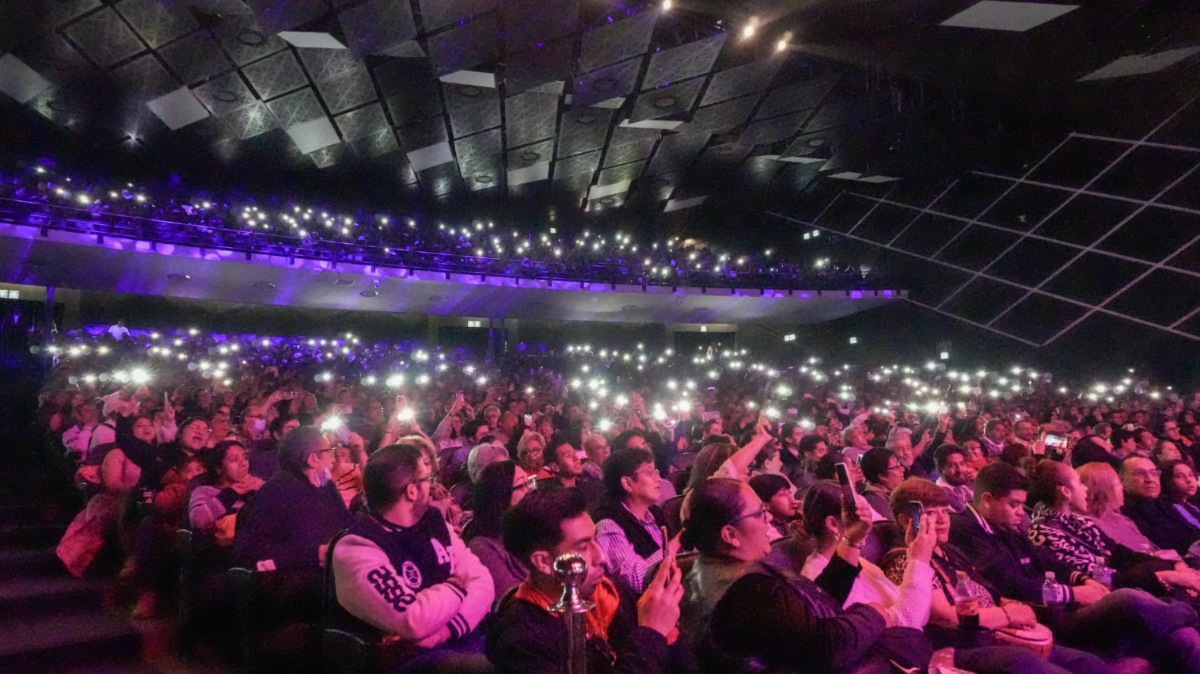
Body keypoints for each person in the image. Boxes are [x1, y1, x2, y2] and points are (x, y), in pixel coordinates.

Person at [950, 462, 1200, 670]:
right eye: (1013, 504)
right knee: (1128, 599)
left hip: (1066, 604)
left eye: (1020, 505)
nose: (1020, 513)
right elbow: (1014, 583)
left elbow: (1049, 561)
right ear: (986, 500)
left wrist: (1082, 580)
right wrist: (1074, 592)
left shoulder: (1009, 525)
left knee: (1183, 639)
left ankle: (1182, 614)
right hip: (1045, 616)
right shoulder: (968, 531)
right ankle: (1191, 613)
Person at [679, 477, 932, 674]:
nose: (768, 520)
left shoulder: (712, 570)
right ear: (730, 535)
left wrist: (851, 541)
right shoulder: (745, 592)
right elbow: (826, 647)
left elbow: (808, 607)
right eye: (759, 513)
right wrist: (874, 613)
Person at [880, 478, 1115, 674]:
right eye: (930, 513)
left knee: (1089, 664)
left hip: (997, 632)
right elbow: (949, 618)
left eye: (945, 511)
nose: (942, 520)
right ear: (906, 520)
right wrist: (1006, 614)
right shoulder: (905, 560)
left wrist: (1007, 603)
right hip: (966, 646)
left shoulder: (948, 549)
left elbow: (983, 587)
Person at [487, 488, 698, 674]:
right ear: (543, 562)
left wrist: (668, 628)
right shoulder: (522, 641)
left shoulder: (611, 592)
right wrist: (652, 633)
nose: (601, 557)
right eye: (583, 546)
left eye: (595, 539)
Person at [330, 443, 494, 664]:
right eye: (427, 479)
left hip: (453, 637)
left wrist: (443, 631)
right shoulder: (357, 547)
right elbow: (413, 618)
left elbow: (483, 583)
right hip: (406, 661)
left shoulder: (434, 522)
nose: (432, 486)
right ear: (411, 491)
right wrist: (455, 587)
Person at [1025, 459, 1199, 599]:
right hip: (1117, 597)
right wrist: (1166, 575)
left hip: (1139, 584)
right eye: (1080, 483)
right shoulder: (1047, 533)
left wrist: (1173, 566)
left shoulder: (1079, 522)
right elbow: (1102, 579)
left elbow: (1122, 554)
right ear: (1065, 491)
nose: (1086, 489)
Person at [233, 426, 352, 573]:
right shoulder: (276, 491)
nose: (334, 458)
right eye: (329, 451)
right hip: (296, 581)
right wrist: (312, 554)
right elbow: (248, 550)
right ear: (313, 459)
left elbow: (347, 523)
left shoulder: (327, 487)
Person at [594, 448, 674, 592]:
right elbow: (637, 579)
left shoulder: (655, 514)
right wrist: (680, 541)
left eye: (656, 471)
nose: (658, 478)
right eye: (650, 473)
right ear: (627, 483)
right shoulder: (609, 525)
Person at [1076, 461, 1181, 560]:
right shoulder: (1090, 527)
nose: (1122, 487)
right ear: (1102, 490)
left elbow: (1155, 550)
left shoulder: (1122, 519)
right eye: (1118, 483)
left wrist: (1177, 563)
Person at [461, 460, 532, 598]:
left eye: (529, 483)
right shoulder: (483, 547)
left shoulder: (529, 527)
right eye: (522, 485)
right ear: (502, 494)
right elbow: (511, 600)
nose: (530, 490)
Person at [188, 439, 264, 548]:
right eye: (233, 460)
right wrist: (231, 493)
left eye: (245, 458)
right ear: (219, 468)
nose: (243, 464)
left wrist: (265, 490)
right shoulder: (204, 491)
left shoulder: (257, 488)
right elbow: (198, 521)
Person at [1120, 456, 1200, 556]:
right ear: (1121, 479)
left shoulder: (1164, 505)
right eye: (1139, 473)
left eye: (1154, 473)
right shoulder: (1124, 512)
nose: (1150, 479)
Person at [538, 435, 605, 510]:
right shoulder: (550, 499)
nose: (576, 458)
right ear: (555, 467)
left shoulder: (591, 488)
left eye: (574, 453)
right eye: (568, 456)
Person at [860, 447, 905, 520]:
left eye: (899, 465)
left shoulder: (892, 494)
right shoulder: (875, 501)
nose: (902, 469)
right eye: (896, 467)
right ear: (881, 476)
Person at [748, 473, 795, 542]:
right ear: (765, 504)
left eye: (790, 492)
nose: (791, 499)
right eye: (782, 495)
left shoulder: (783, 522)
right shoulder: (767, 530)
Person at [934, 444, 973, 512]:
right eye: (952, 465)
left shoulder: (963, 488)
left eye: (962, 463)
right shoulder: (940, 496)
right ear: (940, 469)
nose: (960, 469)